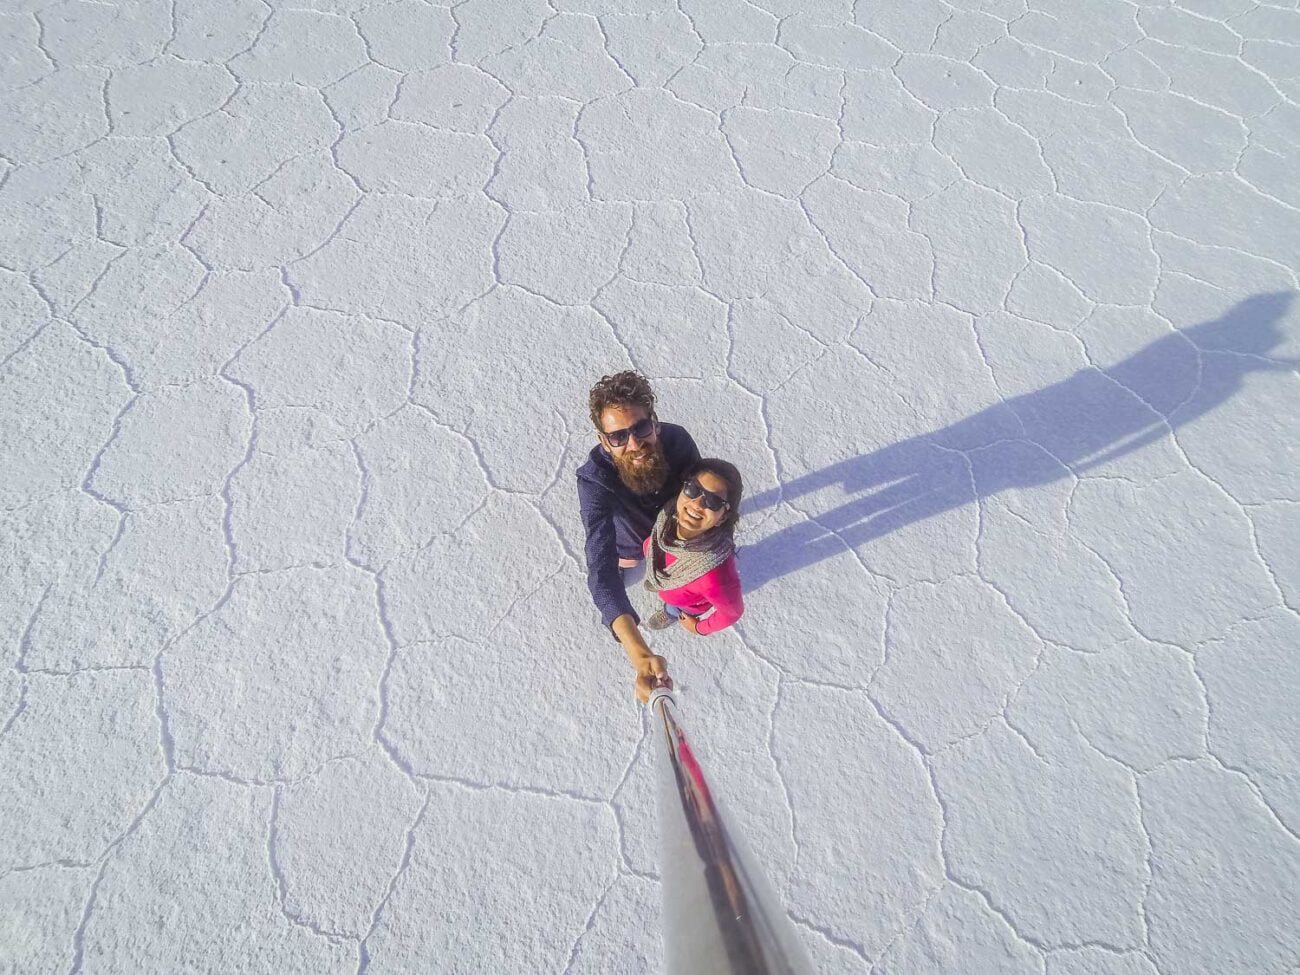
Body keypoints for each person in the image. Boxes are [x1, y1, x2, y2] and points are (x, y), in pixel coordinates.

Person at [577, 371, 700, 700]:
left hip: (676, 541)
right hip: (629, 553)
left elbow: (698, 493)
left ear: (654, 423)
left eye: (641, 429)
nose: (634, 444)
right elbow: (600, 567)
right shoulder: (594, 480)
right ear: (604, 440)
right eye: (617, 437)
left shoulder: (677, 441)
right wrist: (640, 654)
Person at [642, 460, 744, 636]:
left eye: (713, 501)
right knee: (659, 578)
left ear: (723, 516)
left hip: (685, 604)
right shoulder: (666, 519)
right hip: (661, 572)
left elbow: (732, 612)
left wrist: (699, 628)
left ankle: (670, 613)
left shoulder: (715, 576)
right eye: (693, 489)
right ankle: (659, 580)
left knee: (675, 608)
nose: (697, 504)